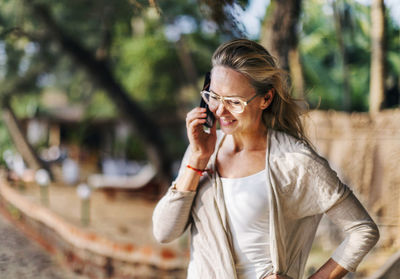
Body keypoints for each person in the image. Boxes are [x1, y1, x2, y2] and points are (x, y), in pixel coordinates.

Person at [152, 39, 379, 279]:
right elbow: (164, 231)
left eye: (234, 102)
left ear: (265, 99)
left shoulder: (295, 161)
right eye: (214, 96)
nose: (219, 110)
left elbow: (363, 230)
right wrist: (198, 158)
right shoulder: (202, 150)